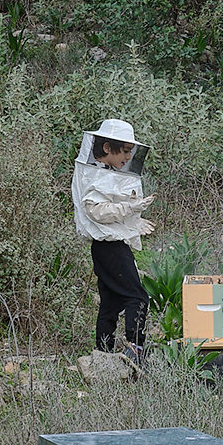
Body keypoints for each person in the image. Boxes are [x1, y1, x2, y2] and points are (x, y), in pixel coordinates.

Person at [71, 119, 155, 356]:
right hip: (110, 248)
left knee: (111, 303)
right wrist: (130, 209)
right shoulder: (96, 176)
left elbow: (109, 209)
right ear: (107, 148)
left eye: (131, 151)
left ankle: (103, 354)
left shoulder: (104, 173)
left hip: (108, 247)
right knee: (137, 297)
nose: (128, 157)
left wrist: (134, 222)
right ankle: (135, 349)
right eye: (125, 150)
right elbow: (96, 210)